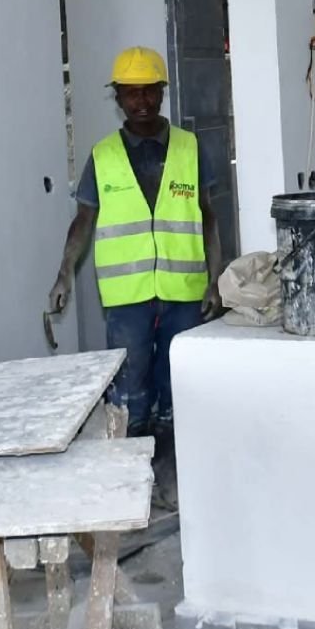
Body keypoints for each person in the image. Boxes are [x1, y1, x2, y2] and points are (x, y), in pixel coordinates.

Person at [48, 48, 221, 449]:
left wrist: (216, 280)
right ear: (118, 97)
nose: (140, 103)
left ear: (162, 92)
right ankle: (131, 462)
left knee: (181, 381)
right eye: (130, 93)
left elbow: (208, 216)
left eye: (149, 92)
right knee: (129, 386)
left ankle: (180, 464)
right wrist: (63, 275)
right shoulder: (103, 156)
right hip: (127, 297)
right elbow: (83, 220)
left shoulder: (190, 149)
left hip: (184, 292)